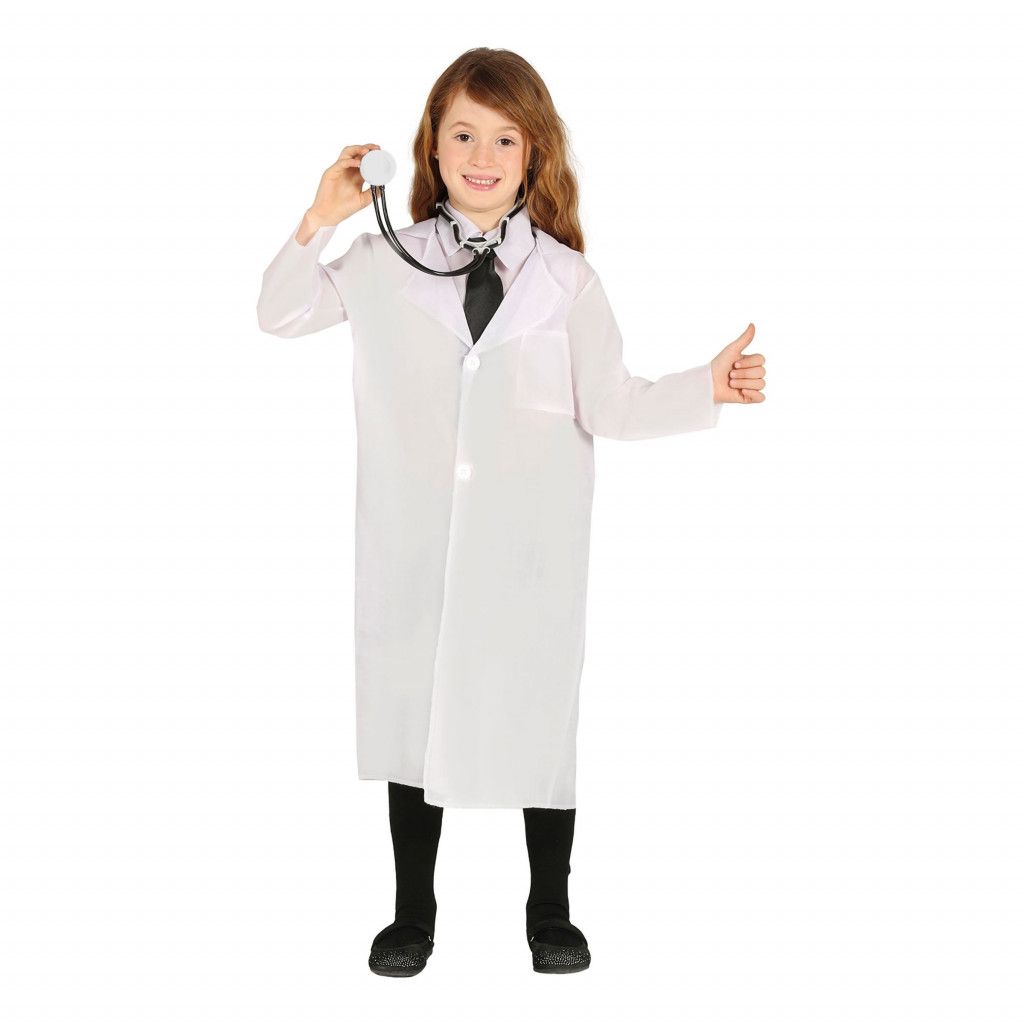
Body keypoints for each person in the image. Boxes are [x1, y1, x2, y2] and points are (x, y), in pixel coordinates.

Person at [256, 47, 766, 977]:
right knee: (413, 721)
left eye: (503, 138)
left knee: (538, 719)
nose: (481, 156)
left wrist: (707, 387)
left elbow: (609, 405)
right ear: (430, 148)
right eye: (462, 135)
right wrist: (317, 221)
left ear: (533, 155)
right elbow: (279, 314)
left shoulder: (568, 282)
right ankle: (412, 913)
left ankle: (551, 910)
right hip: (414, 546)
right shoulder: (380, 261)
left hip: (528, 556)